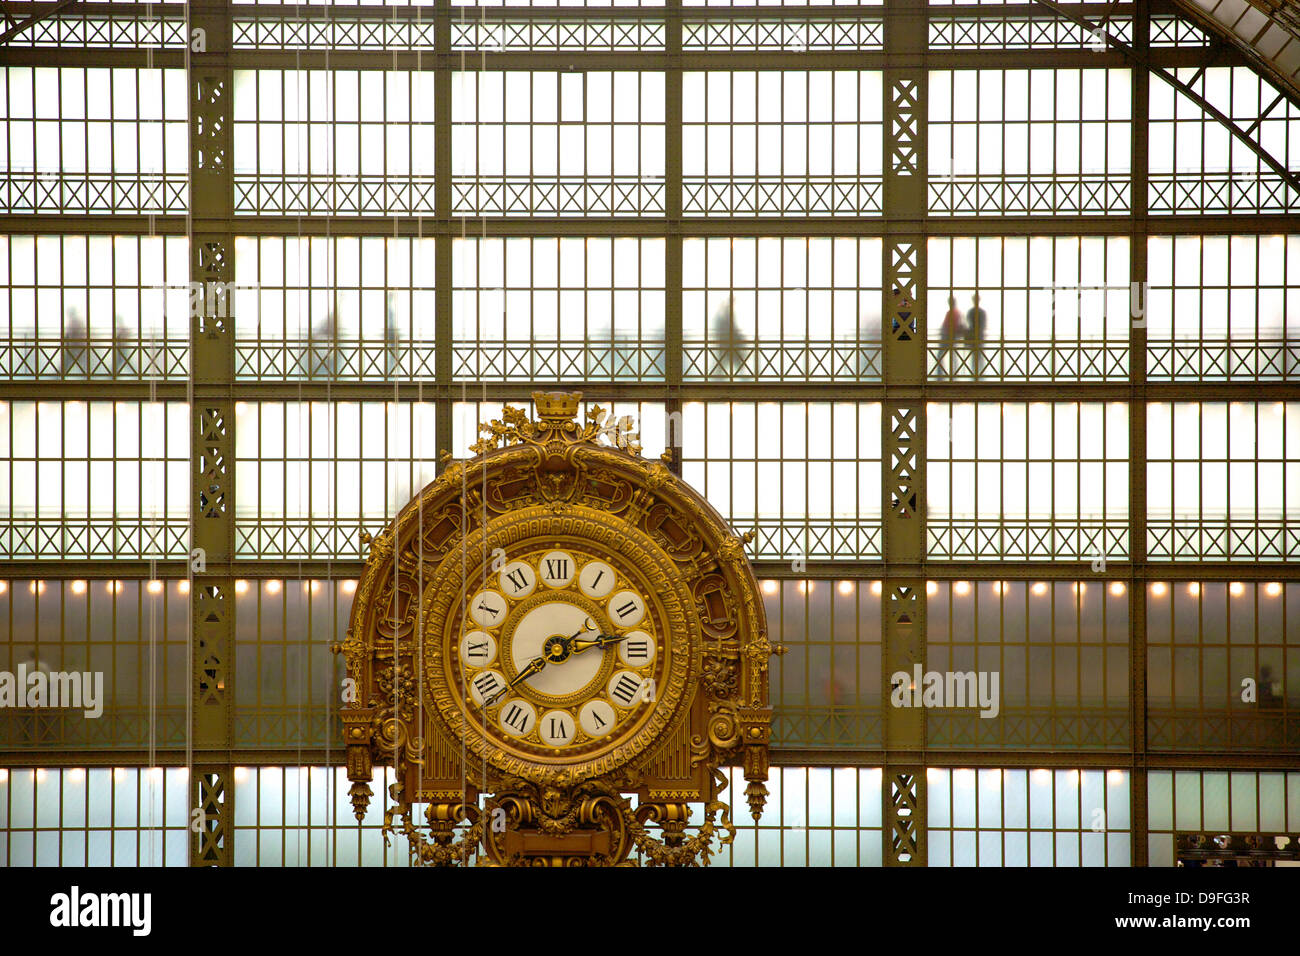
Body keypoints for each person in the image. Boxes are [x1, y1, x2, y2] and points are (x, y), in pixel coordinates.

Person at [935, 294, 962, 379]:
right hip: (952, 337)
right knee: (953, 356)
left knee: (940, 355)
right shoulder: (956, 312)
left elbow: (947, 325)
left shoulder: (951, 313)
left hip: (948, 337)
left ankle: (940, 374)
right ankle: (954, 374)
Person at [965, 292, 987, 379]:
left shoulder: (970, 312)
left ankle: (974, 375)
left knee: (974, 358)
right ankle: (980, 375)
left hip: (973, 337)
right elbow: (983, 325)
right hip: (980, 337)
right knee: (980, 357)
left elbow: (969, 324)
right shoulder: (982, 312)